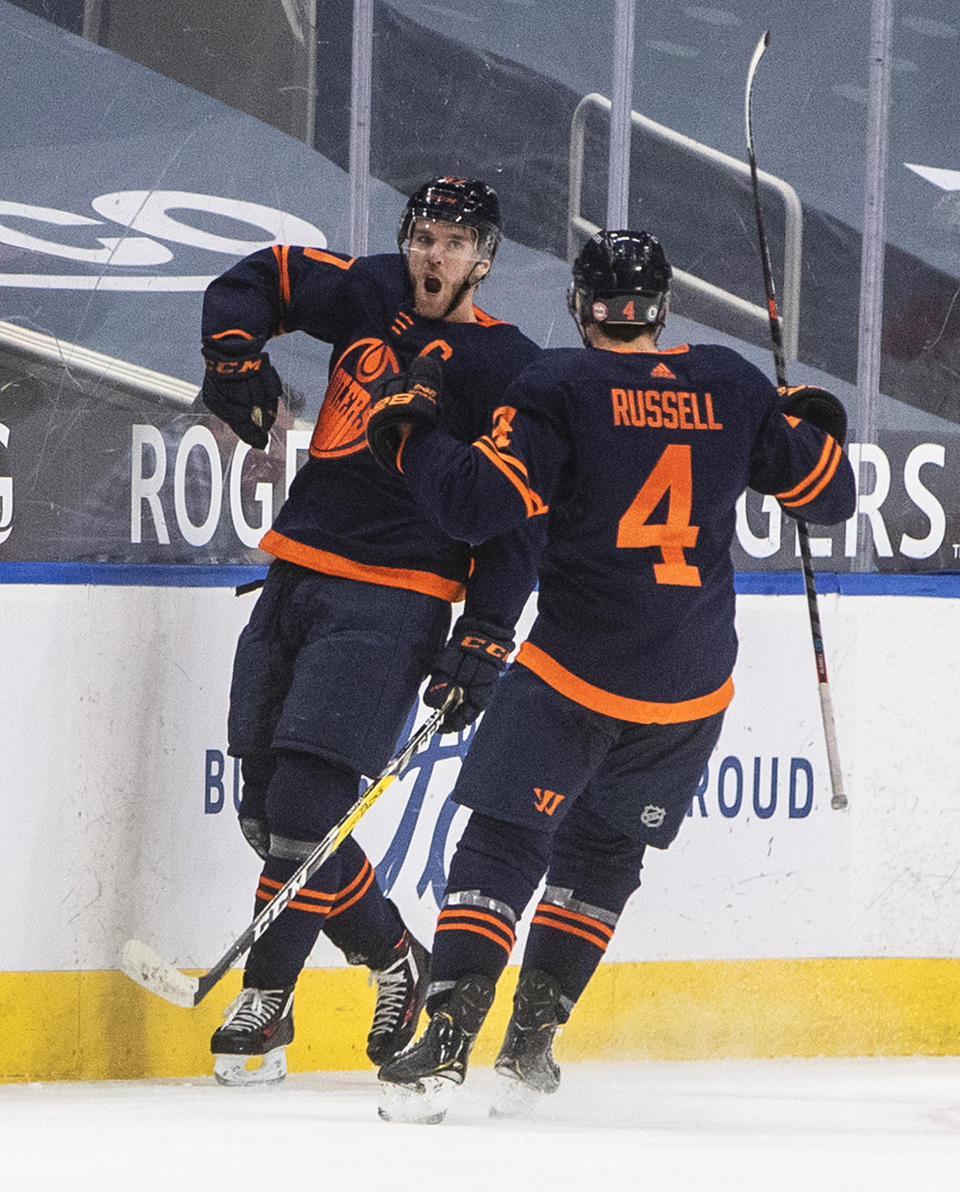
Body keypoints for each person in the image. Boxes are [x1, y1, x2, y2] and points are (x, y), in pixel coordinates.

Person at [365, 229, 857, 1122]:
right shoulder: (732, 381)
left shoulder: (559, 385)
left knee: (504, 841)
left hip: (578, 674)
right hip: (692, 690)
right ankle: (529, 1048)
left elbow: (474, 504)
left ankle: (443, 1043)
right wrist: (812, 424)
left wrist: (407, 437)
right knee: (603, 854)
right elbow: (829, 498)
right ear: (661, 306)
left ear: (579, 305)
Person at [198, 177, 542, 1085]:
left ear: (485, 260)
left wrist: (487, 630)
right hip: (297, 571)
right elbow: (262, 277)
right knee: (268, 814)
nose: (435, 255)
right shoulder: (373, 291)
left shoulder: (507, 366)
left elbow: (515, 516)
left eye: (456, 243)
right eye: (425, 235)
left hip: (398, 595)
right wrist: (233, 358)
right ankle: (396, 958)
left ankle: (266, 1003)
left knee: (308, 810)